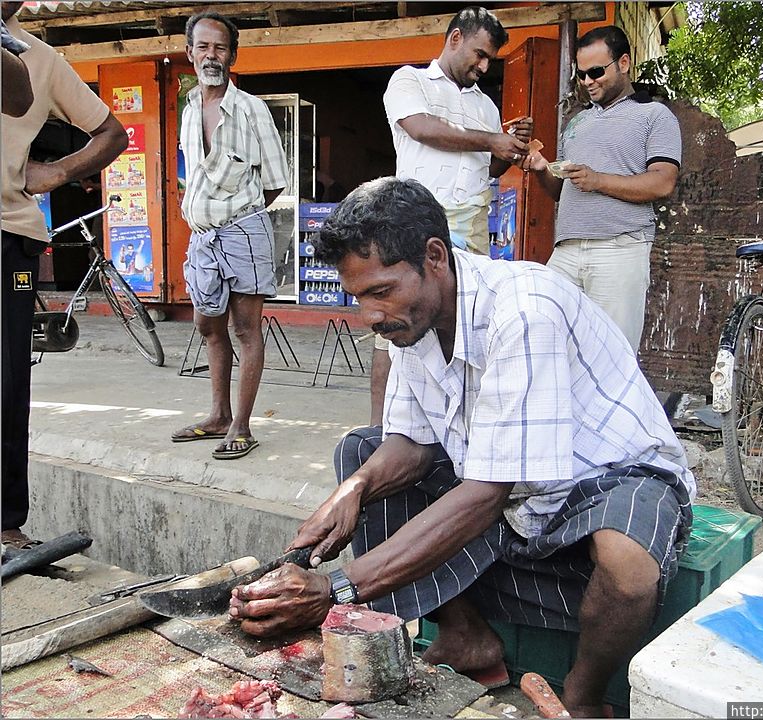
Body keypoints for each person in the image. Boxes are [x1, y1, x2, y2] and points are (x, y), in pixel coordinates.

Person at [228, 177, 696, 718]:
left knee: (628, 563)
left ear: (434, 257)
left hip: (604, 474)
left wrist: (336, 588)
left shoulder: (524, 310)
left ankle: (585, 697)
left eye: (381, 292)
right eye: (359, 298)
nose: (370, 315)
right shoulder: (412, 319)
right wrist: (352, 492)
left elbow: (486, 493)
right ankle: (466, 635)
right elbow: (411, 445)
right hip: (509, 484)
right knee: (362, 453)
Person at [1, 0, 128, 549]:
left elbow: (111, 133)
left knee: (6, 380)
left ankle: (5, 525)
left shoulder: (37, 57)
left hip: (7, 233)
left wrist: (57, 171)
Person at [372, 5, 533, 424]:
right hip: (415, 224)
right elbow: (422, 128)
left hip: (472, 225)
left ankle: (460, 425)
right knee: (396, 326)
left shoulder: (486, 107)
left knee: (467, 327)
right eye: (479, 54)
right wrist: (491, 139)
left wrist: (509, 146)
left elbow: (490, 169)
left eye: (490, 60)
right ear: (455, 38)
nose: (484, 66)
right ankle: (382, 431)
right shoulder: (410, 81)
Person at [170, 12, 288, 460]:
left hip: (243, 230)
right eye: (203, 47)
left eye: (220, 48)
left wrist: (239, 212)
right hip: (202, 237)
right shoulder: (188, 111)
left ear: (232, 56)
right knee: (208, 325)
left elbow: (275, 182)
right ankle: (218, 415)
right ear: (190, 53)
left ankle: (241, 424)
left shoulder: (252, 109)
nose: (211, 56)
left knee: (245, 328)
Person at [524, 26, 681, 353]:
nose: (587, 81)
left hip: (619, 247)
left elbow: (663, 182)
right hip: (566, 250)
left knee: (613, 356)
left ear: (623, 63)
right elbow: (561, 191)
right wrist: (542, 170)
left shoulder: (655, 115)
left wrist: (598, 180)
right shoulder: (577, 122)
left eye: (596, 72)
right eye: (581, 75)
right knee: (543, 342)